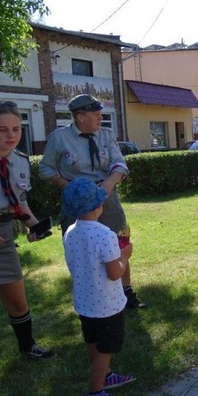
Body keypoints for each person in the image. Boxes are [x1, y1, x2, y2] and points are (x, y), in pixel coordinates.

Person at [40, 94, 146, 309]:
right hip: (77, 199)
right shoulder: (59, 138)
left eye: (100, 113)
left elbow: (119, 163)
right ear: (80, 117)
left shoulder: (106, 135)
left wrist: (108, 184)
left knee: (119, 242)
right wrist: (68, 187)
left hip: (106, 195)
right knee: (81, 247)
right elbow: (46, 168)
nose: (100, 117)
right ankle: (89, 294)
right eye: (95, 114)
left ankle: (126, 295)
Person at [0, 100, 54, 359]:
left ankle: (27, 347)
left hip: (1, 238)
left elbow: (18, 201)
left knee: (18, 302)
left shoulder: (21, 162)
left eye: (16, 129)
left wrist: (33, 225)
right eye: (2, 130)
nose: (11, 135)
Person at [61, 178, 136, 396]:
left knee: (92, 341)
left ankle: (106, 375)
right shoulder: (105, 235)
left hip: (85, 301)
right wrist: (125, 255)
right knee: (107, 347)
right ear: (98, 206)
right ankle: (95, 394)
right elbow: (115, 273)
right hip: (106, 304)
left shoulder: (70, 232)